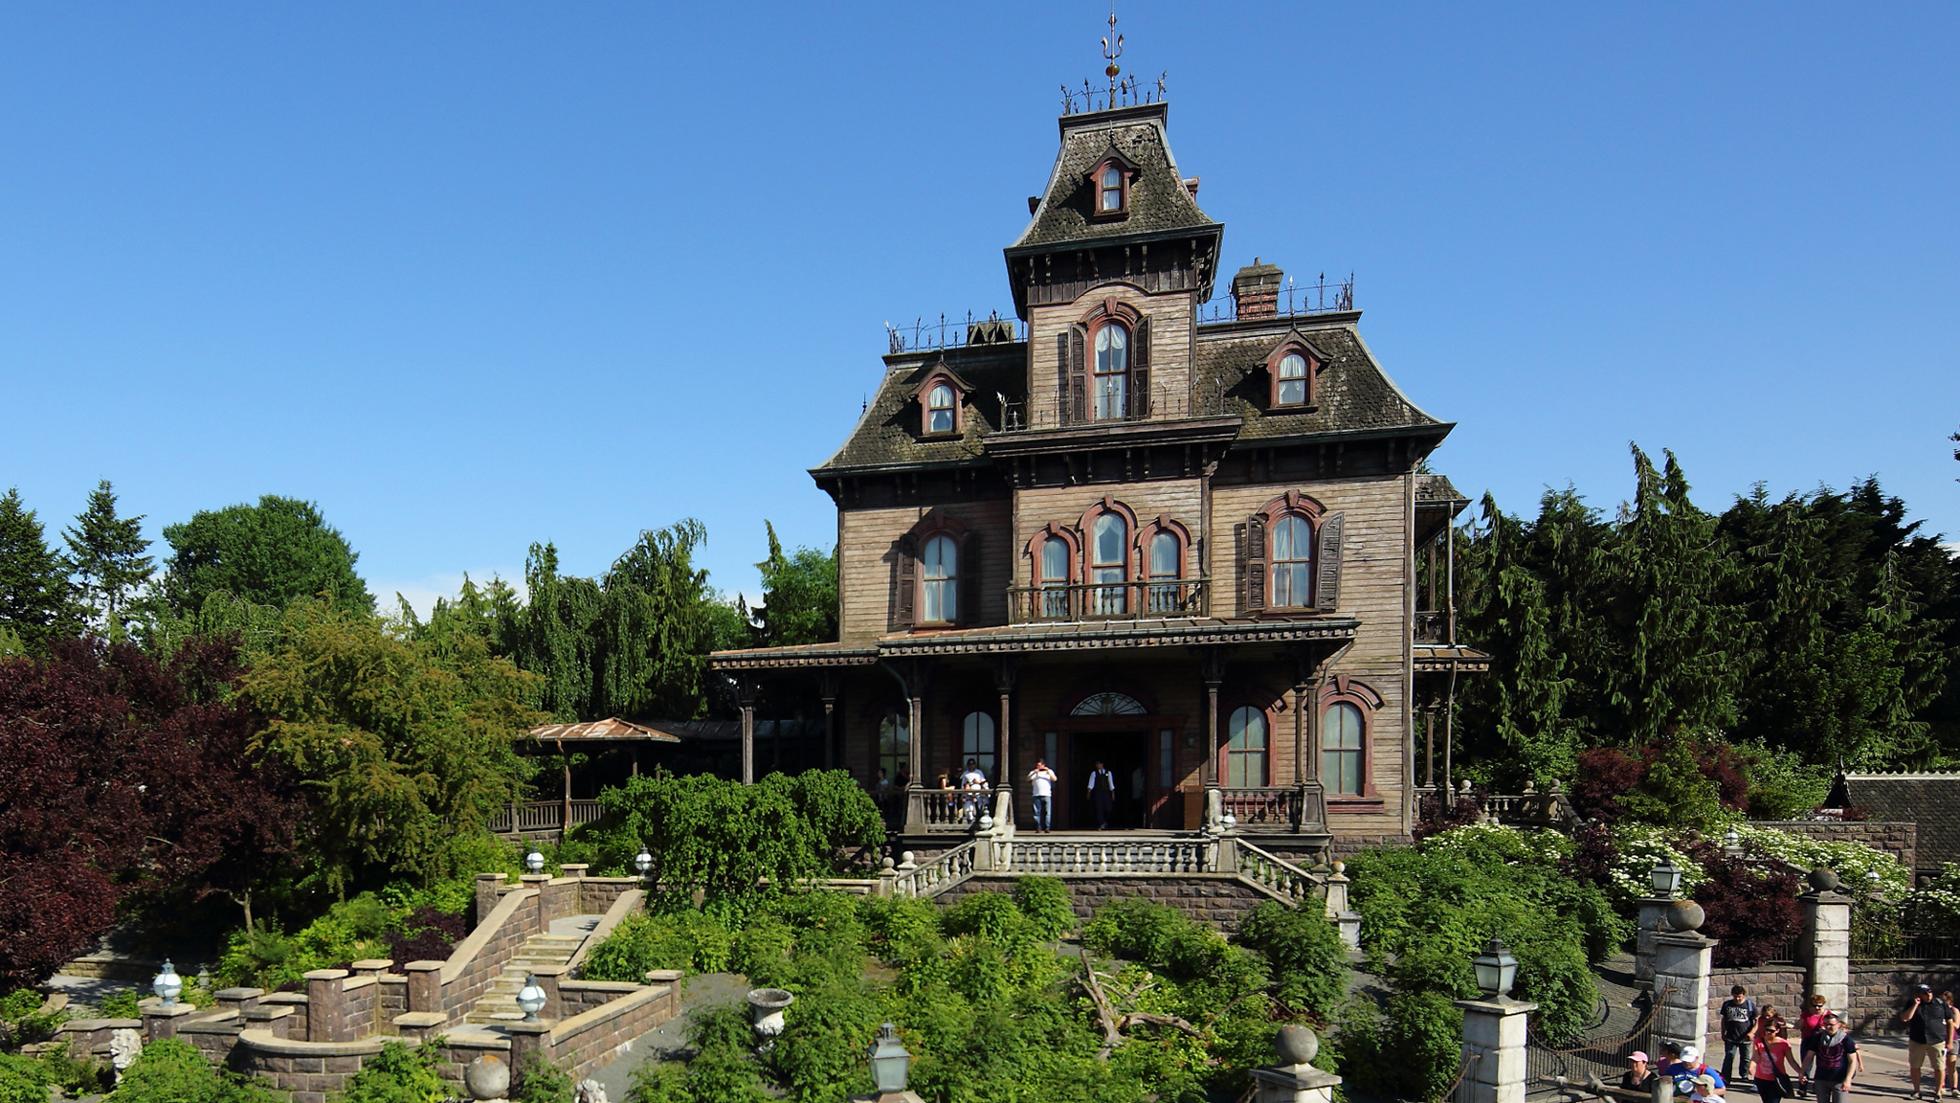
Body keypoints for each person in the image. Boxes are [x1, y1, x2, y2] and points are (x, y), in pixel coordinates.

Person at [1902, 983, 1952, 1099]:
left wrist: (1949, 1041)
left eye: (1929, 992)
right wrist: (1915, 1004)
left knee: (1939, 1067)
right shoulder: (1912, 1003)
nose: (1928, 995)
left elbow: (1949, 1022)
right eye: (1925, 993)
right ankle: (1916, 1091)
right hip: (1917, 1040)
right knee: (1915, 1066)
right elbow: (1905, 1018)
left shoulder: (1940, 1003)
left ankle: (1938, 1092)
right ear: (1919, 994)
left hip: (1937, 1040)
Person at [1801, 1011, 1859, 1103]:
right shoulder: (1817, 1038)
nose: (1828, 1027)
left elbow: (1852, 1061)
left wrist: (1848, 1079)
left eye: (1831, 1024)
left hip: (1839, 1080)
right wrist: (1802, 1072)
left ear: (1838, 1024)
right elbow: (1809, 1057)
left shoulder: (1846, 1040)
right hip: (1821, 1078)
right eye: (1826, 1024)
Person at [1721, 984, 1760, 1086]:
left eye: (1739, 996)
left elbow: (1757, 1021)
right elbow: (1724, 1020)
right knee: (1729, 1056)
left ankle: (1744, 1075)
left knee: (1745, 1057)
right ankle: (1725, 1077)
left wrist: (1752, 1032)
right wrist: (1722, 1032)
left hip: (1745, 1037)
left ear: (1744, 995)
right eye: (1735, 996)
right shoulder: (1727, 1005)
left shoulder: (1750, 1005)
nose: (1737, 999)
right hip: (1731, 1036)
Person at [1754, 1018, 1800, 1103]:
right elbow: (1755, 1057)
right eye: (1766, 1030)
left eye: (1771, 1030)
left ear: (1777, 1030)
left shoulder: (1784, 1044)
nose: (1768, 1032)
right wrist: (1751, 1066)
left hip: (1776, 1079)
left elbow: (1791, 1061)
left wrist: (1801, 1073)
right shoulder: (1758, 1041)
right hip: (1760, 1079)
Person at [1027, 758, 1057, 833]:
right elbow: (1028, 779)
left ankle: (1047, 827)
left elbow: (1054, 779)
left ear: (1043, 765)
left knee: (1048, 812)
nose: (1038, 767)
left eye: (1040, 765)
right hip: (1036, 794)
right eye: (1037, 765)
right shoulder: (1033, 772)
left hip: (1046, 794)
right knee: (1036, 812)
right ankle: (1038, 827)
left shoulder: (1049, 772)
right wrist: (1034, 772)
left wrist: (1048, 771)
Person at [1087, 759, 1116, 829]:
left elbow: (1110, 783)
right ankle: (1101, 823)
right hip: (1098, 793)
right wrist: (1088, 792)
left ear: (1102, 764)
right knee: (1099, 808)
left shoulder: (1108, 773)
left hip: (1106, 793)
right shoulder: (1094, 773)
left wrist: (1113, 793)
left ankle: (1105, 821)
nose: (1098, 765)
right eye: (1096, 764)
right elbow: (1091, 784)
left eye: (1099, 764)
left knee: (1108, 808)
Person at [959, 758, 988, 822]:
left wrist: (978, 782)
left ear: (975, 765)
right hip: (969, 794)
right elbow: (963, 785)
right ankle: (971, 821)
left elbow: (984, 782)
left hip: (978, 794)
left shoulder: (979, 772)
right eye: (970, 764)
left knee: (980, 808)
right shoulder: (965, 774)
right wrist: (963, 795)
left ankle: (979, 820)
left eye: (972, 764)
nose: (971, 766)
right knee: (969, 810)